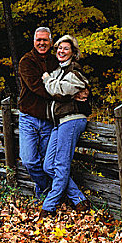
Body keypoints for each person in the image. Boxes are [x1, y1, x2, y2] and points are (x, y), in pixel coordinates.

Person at [39, 35, 91, 218]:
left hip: (72, 119)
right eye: (59, 48)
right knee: (48, 165)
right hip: (59, 122)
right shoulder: (58, 72)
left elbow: (56, 90)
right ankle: (79, 200)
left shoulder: (75, 72)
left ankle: (48, 206)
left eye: (65, 48)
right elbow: (52, 89)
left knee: (60, 165)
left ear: (73, 53)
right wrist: (54, 86)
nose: (61, 51)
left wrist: (51, 84)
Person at [18, 27, 58, 199]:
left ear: (50, 41)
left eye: (45, 40)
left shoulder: (55, 61)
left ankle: (43, 196)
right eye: (39, 40)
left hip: (49, 118)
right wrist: (60, 92)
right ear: (34, 41)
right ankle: (48, 188)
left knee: (46, 161)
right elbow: (36, 86)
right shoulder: (26, 61)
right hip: (29, 117)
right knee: (28, 160)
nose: (42, 43)